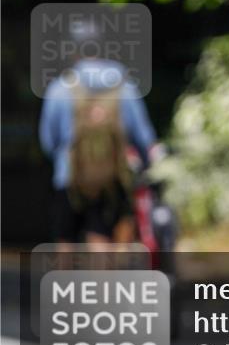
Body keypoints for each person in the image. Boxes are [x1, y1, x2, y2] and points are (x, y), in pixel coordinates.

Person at [38, 19, 159, 249]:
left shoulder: (59, 88)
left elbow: (48, 141)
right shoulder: (124, 86)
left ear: (73, 50)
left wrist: (65, 160)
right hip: (111, 176)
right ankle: (103, 284)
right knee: (101, 237)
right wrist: (144, 163)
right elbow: (143, 137)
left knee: (66, 241)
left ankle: (67, 284)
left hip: (69, 176)